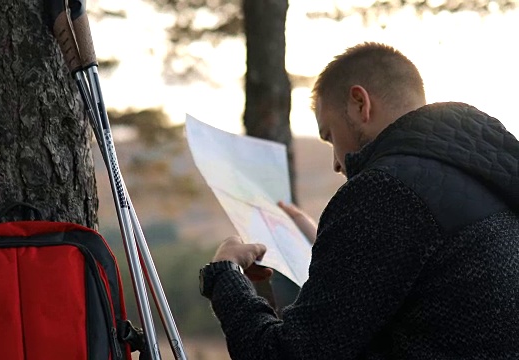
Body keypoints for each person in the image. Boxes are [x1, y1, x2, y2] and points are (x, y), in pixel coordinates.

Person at [198, 42, 519, 359]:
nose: (336, 163)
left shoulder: (385, 191)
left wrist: (225, 275)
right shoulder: (487, 173)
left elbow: (286, 354)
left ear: (359, 103)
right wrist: (325, 248)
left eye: (330, 136)